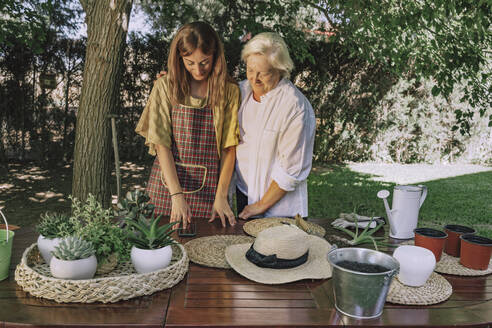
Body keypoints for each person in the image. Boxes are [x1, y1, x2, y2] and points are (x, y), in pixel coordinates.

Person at [135, 21, 240, 228]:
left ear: (216, 56)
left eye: (204, 62)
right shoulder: (165, 87)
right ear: (179, 58)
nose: (198, 70)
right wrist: (177, 195)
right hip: (167, 188)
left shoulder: (229, 91)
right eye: (190, 62)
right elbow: (161, 145)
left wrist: (221, 196)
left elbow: (229, 148)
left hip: (211, 191)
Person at [235, 32, 316, 220]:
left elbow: (291, 170)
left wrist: (260, 206)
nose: (254, 79)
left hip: (279, 207)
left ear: (280, 70)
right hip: (244, 193)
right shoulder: (242, 91)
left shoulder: (294, 106)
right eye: (249, 70)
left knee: (279, 248)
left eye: (263, 73)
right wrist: (168, 82)